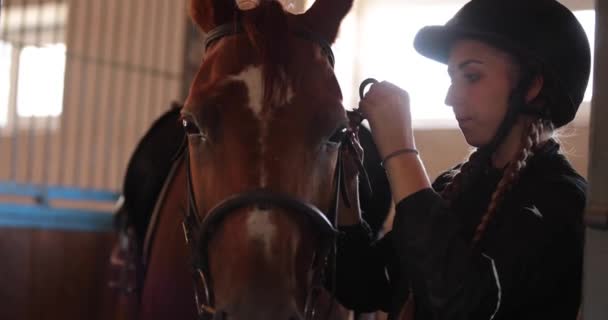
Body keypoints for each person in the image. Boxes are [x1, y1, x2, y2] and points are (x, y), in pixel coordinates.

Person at [333, 0, 592, 319]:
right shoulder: (453, 185)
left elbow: (463, 305)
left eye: (471, 76)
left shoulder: (563, 201)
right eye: (452, 78)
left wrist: (400, 152)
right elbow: (365, 286)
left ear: (532, 85)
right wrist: (347, 184)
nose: (450, 98)